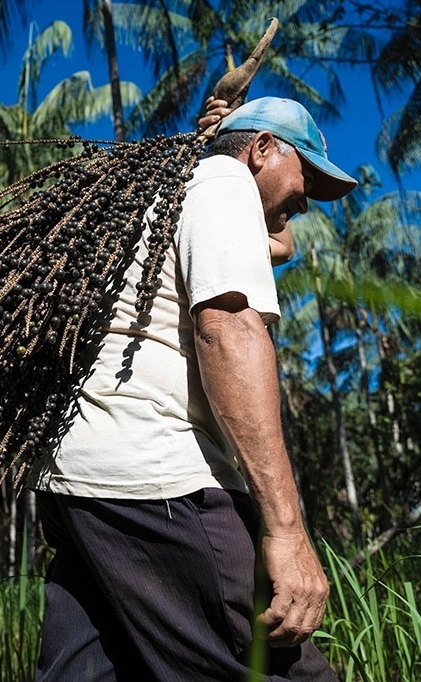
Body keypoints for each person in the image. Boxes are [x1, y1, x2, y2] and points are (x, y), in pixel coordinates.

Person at [29, 96, 358, 681]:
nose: (305, 200)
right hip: (160, 483)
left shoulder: (168, 197)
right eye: (304, 173)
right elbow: (228, 330)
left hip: (78, 486)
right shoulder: (222, 184)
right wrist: (284, 529)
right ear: (260, 149)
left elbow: (282, 243)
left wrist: (218, 145)